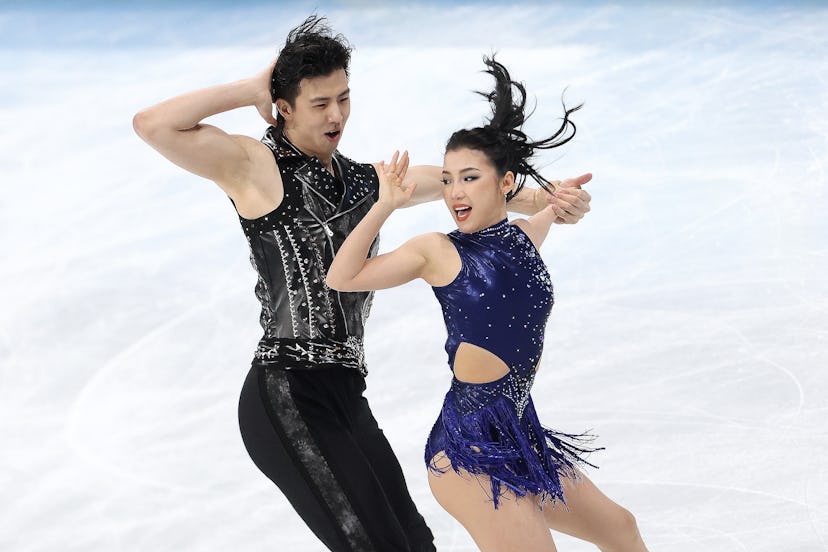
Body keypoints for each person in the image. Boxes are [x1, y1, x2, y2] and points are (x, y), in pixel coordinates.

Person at [133, 14, 592, 552]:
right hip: (286, 392)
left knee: (415, 545)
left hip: (346, 393)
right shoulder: (254, 167)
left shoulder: (368, 181)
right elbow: (152, 124)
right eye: (320, 103)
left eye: (344, 99)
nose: (337, 115)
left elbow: (479, 192)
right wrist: (250, 88)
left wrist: (555, 201)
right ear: (283, 106)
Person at [326, 57, 647, 551]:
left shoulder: (522, 237)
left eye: (470, 177)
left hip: (519, 432)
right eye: (449, 178)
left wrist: (565, 204)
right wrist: (385, 205)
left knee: (620, 529)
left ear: (505, 182)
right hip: (468, 450)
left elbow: (554, 212)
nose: (454, 191)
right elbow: (342, 276)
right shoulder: (438, 250)